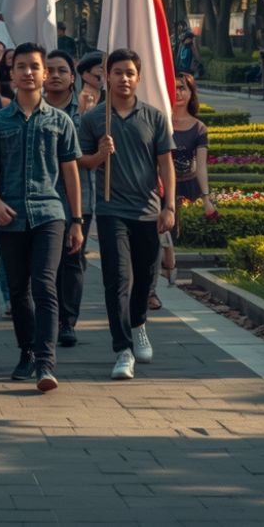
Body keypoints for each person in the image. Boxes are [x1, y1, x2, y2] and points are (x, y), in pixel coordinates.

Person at [0, 43, 84, 392]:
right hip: (9, 214)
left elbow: (70, 173)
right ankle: (26, 351)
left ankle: (45, 361)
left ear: (44, 73)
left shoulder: (60, 120)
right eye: (21, 66)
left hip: (50, 212)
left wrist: (77, 221)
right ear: (12, 73)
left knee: (44, 284)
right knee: (19, 288)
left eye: (34, 67)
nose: (28, 72)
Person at [78, 49, 175, 382]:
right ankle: (122, 348)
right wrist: (99, 155)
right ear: (107, 76)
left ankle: (139, 324)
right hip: (110, 210)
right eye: (117, 72)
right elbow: (82, 162)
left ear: (138, 78)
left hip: (148, 210)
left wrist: (169, 206)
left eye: (129, 73)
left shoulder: (154, 117)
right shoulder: (94, 119)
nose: (123, 79)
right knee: (117, 279)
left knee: (146, 279)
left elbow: (166, 164)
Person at [45, 50, 91, 349]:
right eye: (50, 70)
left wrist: (87, 119)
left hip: (78, 196)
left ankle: (67, 321)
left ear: (72, 77)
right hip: (42, 195)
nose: (56, 75)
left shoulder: (87, 109)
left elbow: (90, 155)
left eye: (62, 70)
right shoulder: (32, 108)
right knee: (47, 264)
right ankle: (45, 317)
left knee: (72, 260)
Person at [159, 73, 216, 294]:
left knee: (171, 232)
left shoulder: (199, 127)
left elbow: (201, 166)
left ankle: (169, 267)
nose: (179, 93)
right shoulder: (161, 121)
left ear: (191, 92)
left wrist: (206, 199)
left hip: (186, 187)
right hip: (161, 187)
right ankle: (166, 266)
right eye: (174, 88)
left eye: (183, 88)